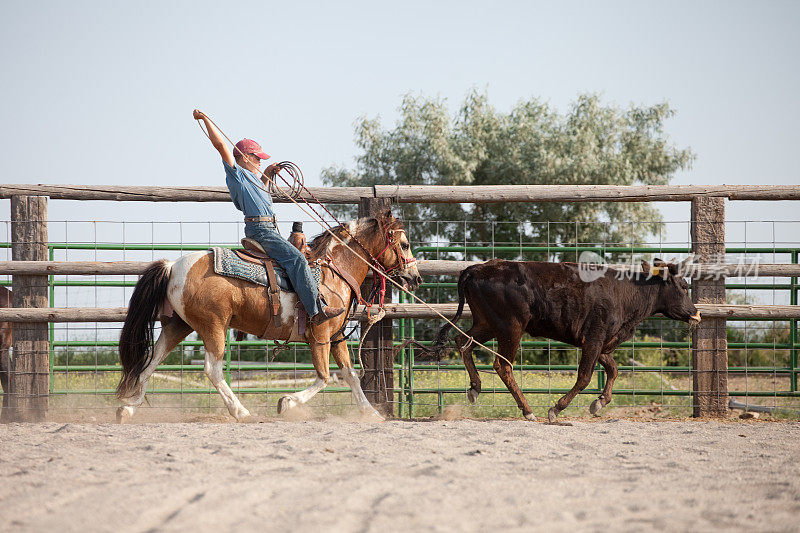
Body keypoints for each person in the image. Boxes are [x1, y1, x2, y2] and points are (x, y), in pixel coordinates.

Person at [192, 109, 344, 325]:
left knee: (303, 256)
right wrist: (206, 119)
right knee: (297, 259)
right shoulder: (237, 174)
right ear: (245, 157)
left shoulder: (254, 179)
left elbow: (262, 192)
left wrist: (270, 173)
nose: (261, 162)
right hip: (261, 231)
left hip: (268, 229)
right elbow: (221, 146)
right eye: (258, 158)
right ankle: (316, 310)